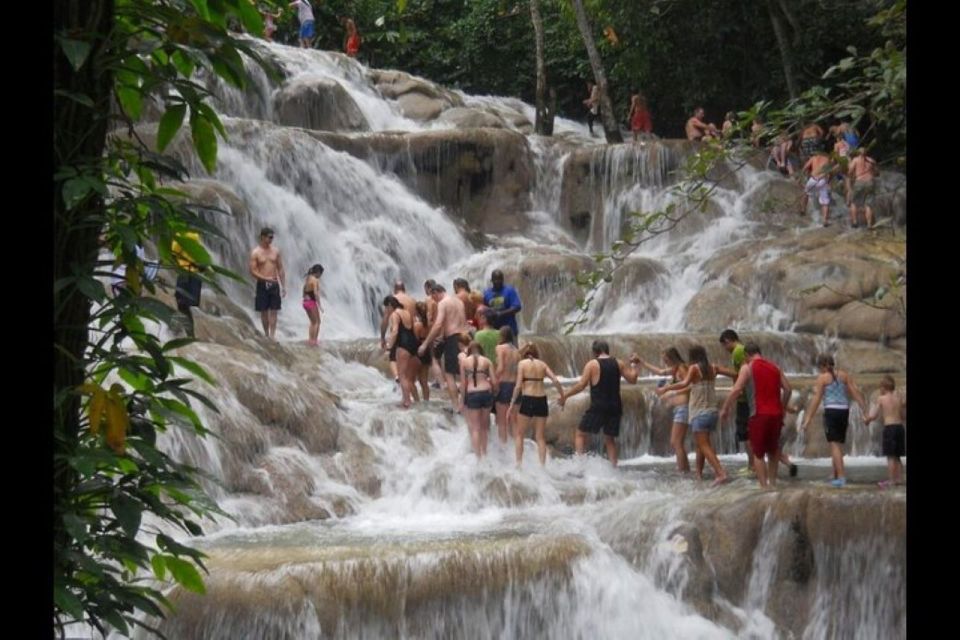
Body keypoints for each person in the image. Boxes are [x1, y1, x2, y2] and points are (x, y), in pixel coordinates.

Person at [719, 343, 792, 488]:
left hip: (758, 414)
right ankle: (773, 483)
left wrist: (725, 408)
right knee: (773, 451)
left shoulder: (747, 367)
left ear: (746, 355)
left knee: (758, 453)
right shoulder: (775, 367)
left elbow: (736, 389)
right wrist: (782, 407)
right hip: (776, 415)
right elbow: (788, 389)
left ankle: (764, 487)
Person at [657, 345, 728, 485]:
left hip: (699, 412)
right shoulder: (712, 368)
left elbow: (684, 383)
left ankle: (720, 473)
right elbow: (732, 373)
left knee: (704, 445)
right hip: (712, 412)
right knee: (701, 445)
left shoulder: (694, 368)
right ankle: (699, 474)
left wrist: (667, 388)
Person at [562, 340, 639, 467]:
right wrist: (635, 365)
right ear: (607, 350)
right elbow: (633, 380)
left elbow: (581, 385)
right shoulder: (618, 363)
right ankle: (614, 468)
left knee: (580, 434)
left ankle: (580, 465)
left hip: (598, 406)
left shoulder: (592, 364)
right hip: (615, 407)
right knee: (610, 439)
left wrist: (565, 396)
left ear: (594, 352)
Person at [799, 354, 866, 487]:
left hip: (831, 412)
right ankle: (835, 474)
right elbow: (855, 392)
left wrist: (807, 419)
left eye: (820, 367)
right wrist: (865, 410)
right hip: (844, 411)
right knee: (838, 444)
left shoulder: (822, 378)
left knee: (834, 445)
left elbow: (816, 400)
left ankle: (841, 478)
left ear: (823, 366)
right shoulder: (844, 375)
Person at [634, 348, 690, 473]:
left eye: (666, 360)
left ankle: (683, 471)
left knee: (676, 442)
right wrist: (642, 362)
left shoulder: (681, 368)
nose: (665, 362)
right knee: (677, 442)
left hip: (683, 408)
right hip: (679, 409)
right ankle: (685, 469)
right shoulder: (675, 369)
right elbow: (659, 372)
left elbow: (690, 386)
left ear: (672, 358)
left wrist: (670, 392)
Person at [508, 343, 565, 467]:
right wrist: (563, 396)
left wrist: (512, 404)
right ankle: (542, 466)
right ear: (536, 353)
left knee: (519, 434)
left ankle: (518, 464)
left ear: (524, 354)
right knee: (540, 436)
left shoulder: (522, 364)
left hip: (528, 398)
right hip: (541, 399)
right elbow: (555, 380)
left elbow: (518, 386)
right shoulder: (542, 364)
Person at [417, 283, 471, 409]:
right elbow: (461, 321)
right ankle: (465, 403)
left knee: (449, 374)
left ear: (436, 292)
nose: (433, 300)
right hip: (465, 337)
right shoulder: (458, 301)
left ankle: (456, 406)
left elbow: (438, 324)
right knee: (464, 372)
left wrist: (425, 344)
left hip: (452, 339)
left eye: (433, 297)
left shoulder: (443, 303)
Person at [864, 375, 906, 488]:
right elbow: (903, 416)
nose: (880, 390)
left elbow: (874, 415)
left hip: (890, 428)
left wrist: (866, 420)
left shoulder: (881, 399)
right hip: (900, 428)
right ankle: (900, 479)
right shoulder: (899, 398)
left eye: (880, 387)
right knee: (897, 456)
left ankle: (891, 480)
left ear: (884, 387)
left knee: (890, 456)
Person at [460, 341, 496, 459]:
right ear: (481, 350)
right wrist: (495, 392)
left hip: (472, 394)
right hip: (486, 393)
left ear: (469, 351)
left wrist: (462, 401)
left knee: (476, 428)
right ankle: (485, 453)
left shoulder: (464, 362)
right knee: (484, 427)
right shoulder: (487, 361)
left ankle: (478, 457)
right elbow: (494, 381)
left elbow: (463, 383)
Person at [383, 295, 420, 409]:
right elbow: (414, 328)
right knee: (409, 377)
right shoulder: (407, 312)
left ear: (390, 305)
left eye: (386, 307)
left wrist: (389, 345)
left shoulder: (395, 314)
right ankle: (413, 400)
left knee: (402, 375)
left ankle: (407, 401)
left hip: (403, 345)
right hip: (413, 343)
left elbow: (394, 332)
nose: (386, 310)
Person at [249, 227, 286, 340]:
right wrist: (265, 278)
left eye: (272, 237)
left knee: (274, 310)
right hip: (262, 284)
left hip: (274, 283)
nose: (271, 240)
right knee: (264, 311)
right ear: (262, 237)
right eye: (269, 237)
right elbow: (253, 271)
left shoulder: (276, 251)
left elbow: (280, 268)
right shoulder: (256, 252)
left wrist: (283, 286)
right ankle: (266, 334)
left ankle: (272, 335)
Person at [380, 280, 418, 384]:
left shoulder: (392, 301)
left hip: (398, 334)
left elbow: (385, 320)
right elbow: (415, 319)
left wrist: (383, 337)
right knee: (407, 362)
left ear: (395, 289)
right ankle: (407, 385)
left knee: (393, 358)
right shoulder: (412, 300)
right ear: (404, 289)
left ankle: (398, 378)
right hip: (411, 333)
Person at [172, 232, 203, 338]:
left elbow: (173, 253)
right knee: (184, 305)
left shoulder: (180, 236)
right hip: (194, 273)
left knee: (181, 303)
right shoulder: (195, 235)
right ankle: (187, 333)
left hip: (185, 272)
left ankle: (183, 333)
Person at [494, 326, 520, 445]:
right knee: (514, 420)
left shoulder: (500, 348)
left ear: (502, 336)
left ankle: (503, 451)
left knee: (502, 421)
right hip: (515, 386)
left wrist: (492, 378)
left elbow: (500, 368)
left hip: (504, 385)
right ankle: (517, 449)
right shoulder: (516, 351)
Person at [483, 269, 522, 343]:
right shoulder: (487, 293)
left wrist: (501, 313)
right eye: (495, 279)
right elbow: (485, 310)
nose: (498, 281)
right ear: (492, 280)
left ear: (503, 279)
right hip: (494, 332)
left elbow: (517, 306)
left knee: (512, 353)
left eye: (500, 279)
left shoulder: (509, 290)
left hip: (510, 331)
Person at [801, 150, 834, 226]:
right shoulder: (827, 159)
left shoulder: (813, 158)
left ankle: (803, 210)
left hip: (813, 179)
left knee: (805, 193)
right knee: (825, 201)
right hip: (822, 180)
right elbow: (830, 172)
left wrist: (800, 177)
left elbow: (805, 167)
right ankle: (825, 220)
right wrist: (829, 181)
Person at [848, 147, 879, 228]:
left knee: (854, 202)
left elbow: (850, 171)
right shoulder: (872, 161)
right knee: (868, 204)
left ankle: (855, 222)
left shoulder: (855, 160)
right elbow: (877, 173)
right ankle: (869, 224)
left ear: (858, 153)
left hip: (859, 182)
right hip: (870, 182)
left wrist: (852, 178)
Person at [302, 263, 324, 346]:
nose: (320, 276)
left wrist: (303, 296)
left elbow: (304, 288)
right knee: (317, 322)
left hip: (305, 302)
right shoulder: (315, 280)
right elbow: (315, 293)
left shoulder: (308, 278)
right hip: (311, 302)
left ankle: (310, 340)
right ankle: (314, 341)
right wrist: (320, 305)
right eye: (321, 274)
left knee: (312, 322)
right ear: (318, 272)